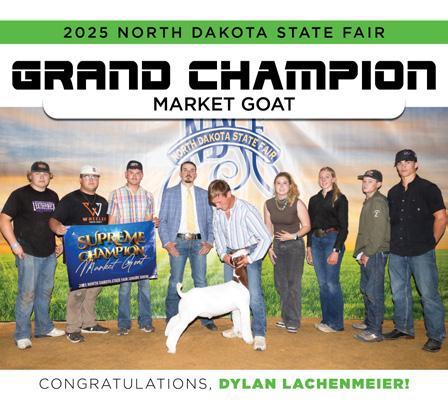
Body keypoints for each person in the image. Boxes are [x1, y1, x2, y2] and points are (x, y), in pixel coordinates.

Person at [384, 149, 446, 352]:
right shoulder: (393, 192)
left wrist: (431, 243)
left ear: (416, 165)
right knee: (399, 293)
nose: (403, 165)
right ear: (396, 166)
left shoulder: (429, 188)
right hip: (397, 252)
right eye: (400, 162)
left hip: (421, 252)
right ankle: (403, 328)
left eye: (408, 161)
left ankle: (436, 336)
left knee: (428, 295)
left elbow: (441, 217)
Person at [0, 161, 64, 349]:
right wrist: (14, 245)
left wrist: (59, 244)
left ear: (50, 176)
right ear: (30, 175)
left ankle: (44, 328)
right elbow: (4, 220)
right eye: (37, 173)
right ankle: (22, 334)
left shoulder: (53, 196)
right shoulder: (19, 195)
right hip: (27, 252)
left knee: (45, 292)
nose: (42, 176)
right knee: (27, 293)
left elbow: (55, 223)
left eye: (45, 174)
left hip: (49, 253)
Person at [208, 179, 271, 351]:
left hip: (249, 253)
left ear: (229, 194)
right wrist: (223, 255)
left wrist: (250, 258)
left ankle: (259, 333)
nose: (217, 206)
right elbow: (218, 235)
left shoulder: (246, 210)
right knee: (232, 293)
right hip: (230, 254)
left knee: (254, 294)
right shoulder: (218, 211)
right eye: (215, 203)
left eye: (220, 202)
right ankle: (237, 328)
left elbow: (266, 238)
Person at [49, 165, 110, 343]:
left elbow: (108, 227)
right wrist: (57, 229)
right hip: (78, 255)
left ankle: (89, 323)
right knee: (78, 292)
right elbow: (54, 219)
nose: (91, 179)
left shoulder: (103, 202)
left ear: (98, 180)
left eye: (95, 176)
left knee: (94, 289)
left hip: (98, 254)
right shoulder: (70, 199)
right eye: (87, 176)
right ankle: (72, 328)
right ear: (81, 179)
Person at [159, 161, 217, 330]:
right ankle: (171, 318)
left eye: (192, 170)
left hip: (199, 242)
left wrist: (210, 242)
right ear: (180, 173)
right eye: (185, 170)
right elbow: (162, 221)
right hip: (177, 243)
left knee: (201, 281)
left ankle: (206, 318)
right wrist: (167, 243)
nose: (188, 173)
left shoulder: (203, 194)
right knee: (175, 281)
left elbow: (211, 221)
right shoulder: (170, 193)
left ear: (196, 174)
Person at [108, 160, 156, 335]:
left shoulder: (148, 196)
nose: (134, 176)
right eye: (131, 173)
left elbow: (148, 222)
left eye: (137, 173)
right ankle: (123, 324)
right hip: (123, 248)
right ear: (126, 175)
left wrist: (153, 223)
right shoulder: (116, 194)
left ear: (141, 175)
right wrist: (113, 247)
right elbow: (111, 223)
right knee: (125, 288)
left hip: (142, 248)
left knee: (145, 287)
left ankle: (145, 322)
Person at [264, 172, 311, 333]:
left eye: (285, 183)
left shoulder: (297, 203)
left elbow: (307, 226)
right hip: (277, 247)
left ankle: (294, 320)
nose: (281, 186)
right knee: (280, 284)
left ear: (290, 186)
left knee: (293, 284)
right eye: (278, 183)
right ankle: (286, 318)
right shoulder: (268, 204)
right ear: (275, 186)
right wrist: (269, 248)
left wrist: (293, 235)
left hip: (294, 247)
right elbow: (268, 228)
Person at [306, 167, 348, 333]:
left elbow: (344, 228)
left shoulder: (340, 199)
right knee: (323, 284)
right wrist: (309, 247)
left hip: (332, 239)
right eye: (321, 177)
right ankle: (326, 321)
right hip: (316, 241)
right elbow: (309, 226)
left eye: (327, 177)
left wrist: (336, 250)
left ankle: (337, 323)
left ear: (333, 179)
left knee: (331, 283)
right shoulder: (314, 200)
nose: (323, 180)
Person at [353, 170, 390, 343]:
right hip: (368, 252)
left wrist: (368, 253)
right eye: (364, 181)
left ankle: (375, 331)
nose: (365, 184)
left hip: (375, 252)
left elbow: (378, 232)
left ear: (379, 184)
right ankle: (369, 323)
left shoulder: (378, 202)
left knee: (373, 291)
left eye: (370, 181)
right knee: (366, 288)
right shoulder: (369, 201)